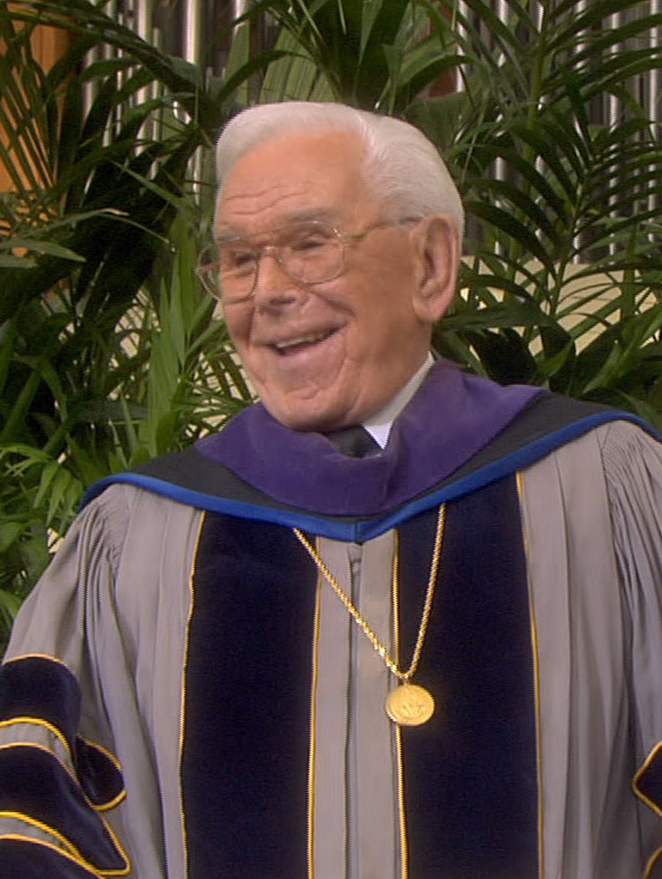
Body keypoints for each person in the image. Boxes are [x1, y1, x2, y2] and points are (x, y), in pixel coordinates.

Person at [1, 101, 662, 879]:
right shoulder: (135, 534)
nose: (267, 291)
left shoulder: (607, 490)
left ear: (430, 267)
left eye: (310, 245)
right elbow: (36, 822)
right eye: (237, 260)